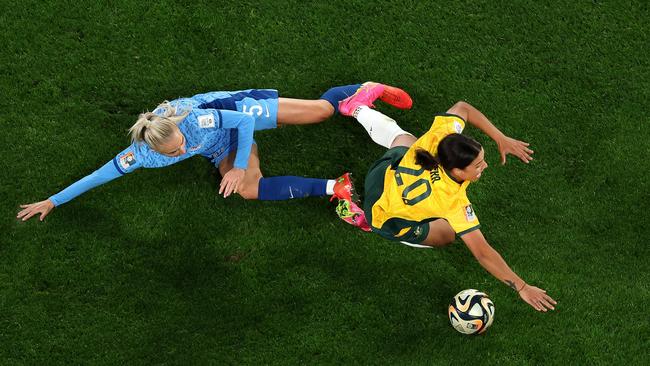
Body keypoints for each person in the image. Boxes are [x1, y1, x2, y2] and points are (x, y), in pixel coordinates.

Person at [17, 83, 412, 227]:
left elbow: (240, 122)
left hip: (235, 111)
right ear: (153, 150)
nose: (183, 151)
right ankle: (335, 188)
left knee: (319, 113)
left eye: (180, 144)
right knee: (247, 191)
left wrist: (238, 166)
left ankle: (357, 93)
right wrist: (53, 201)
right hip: (221, 145)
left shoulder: (194, 121)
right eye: (176, 152)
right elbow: (99, 175)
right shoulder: (141, 156)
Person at [337, 84, 557, 312]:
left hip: (381, 176)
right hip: (383, 219)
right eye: (478, 165)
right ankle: (359, 215)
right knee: (447, 234)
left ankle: (357, 109)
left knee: (406, 140)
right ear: (458, 171)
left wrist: (500, 138)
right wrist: (522, 287)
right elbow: (483, 252)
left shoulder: (440, 139)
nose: (485, 166)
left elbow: (463, 108)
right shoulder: (452, 202)